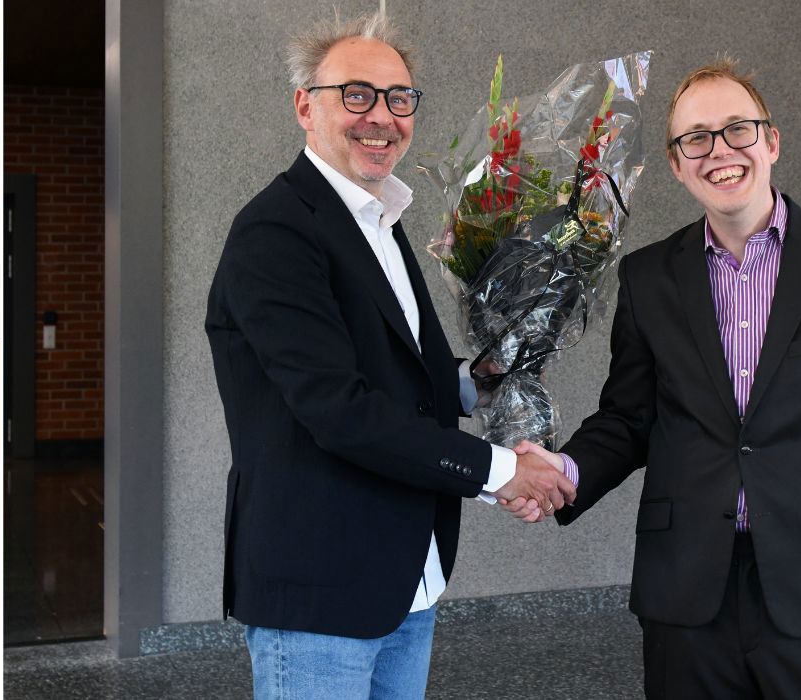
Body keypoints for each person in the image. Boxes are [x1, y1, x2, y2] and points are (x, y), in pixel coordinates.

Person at [507, 58, 801, 698]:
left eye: (737, 130)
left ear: (771, 141)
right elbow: (629, 419)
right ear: (676, 162)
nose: (719, 151)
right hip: (689, 596)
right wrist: (561, 474)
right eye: (696, 138)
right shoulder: (649, 278)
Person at [203, 13, 577, 699]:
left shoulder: (378, 220)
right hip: (320, 588)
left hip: (407, 571)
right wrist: (501, 471)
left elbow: (396, 377)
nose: (382, 116)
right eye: (357, 95)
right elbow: (339, 411)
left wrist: (479, 380)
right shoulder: (275, 232)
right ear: (304, 106)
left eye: (398, 98)